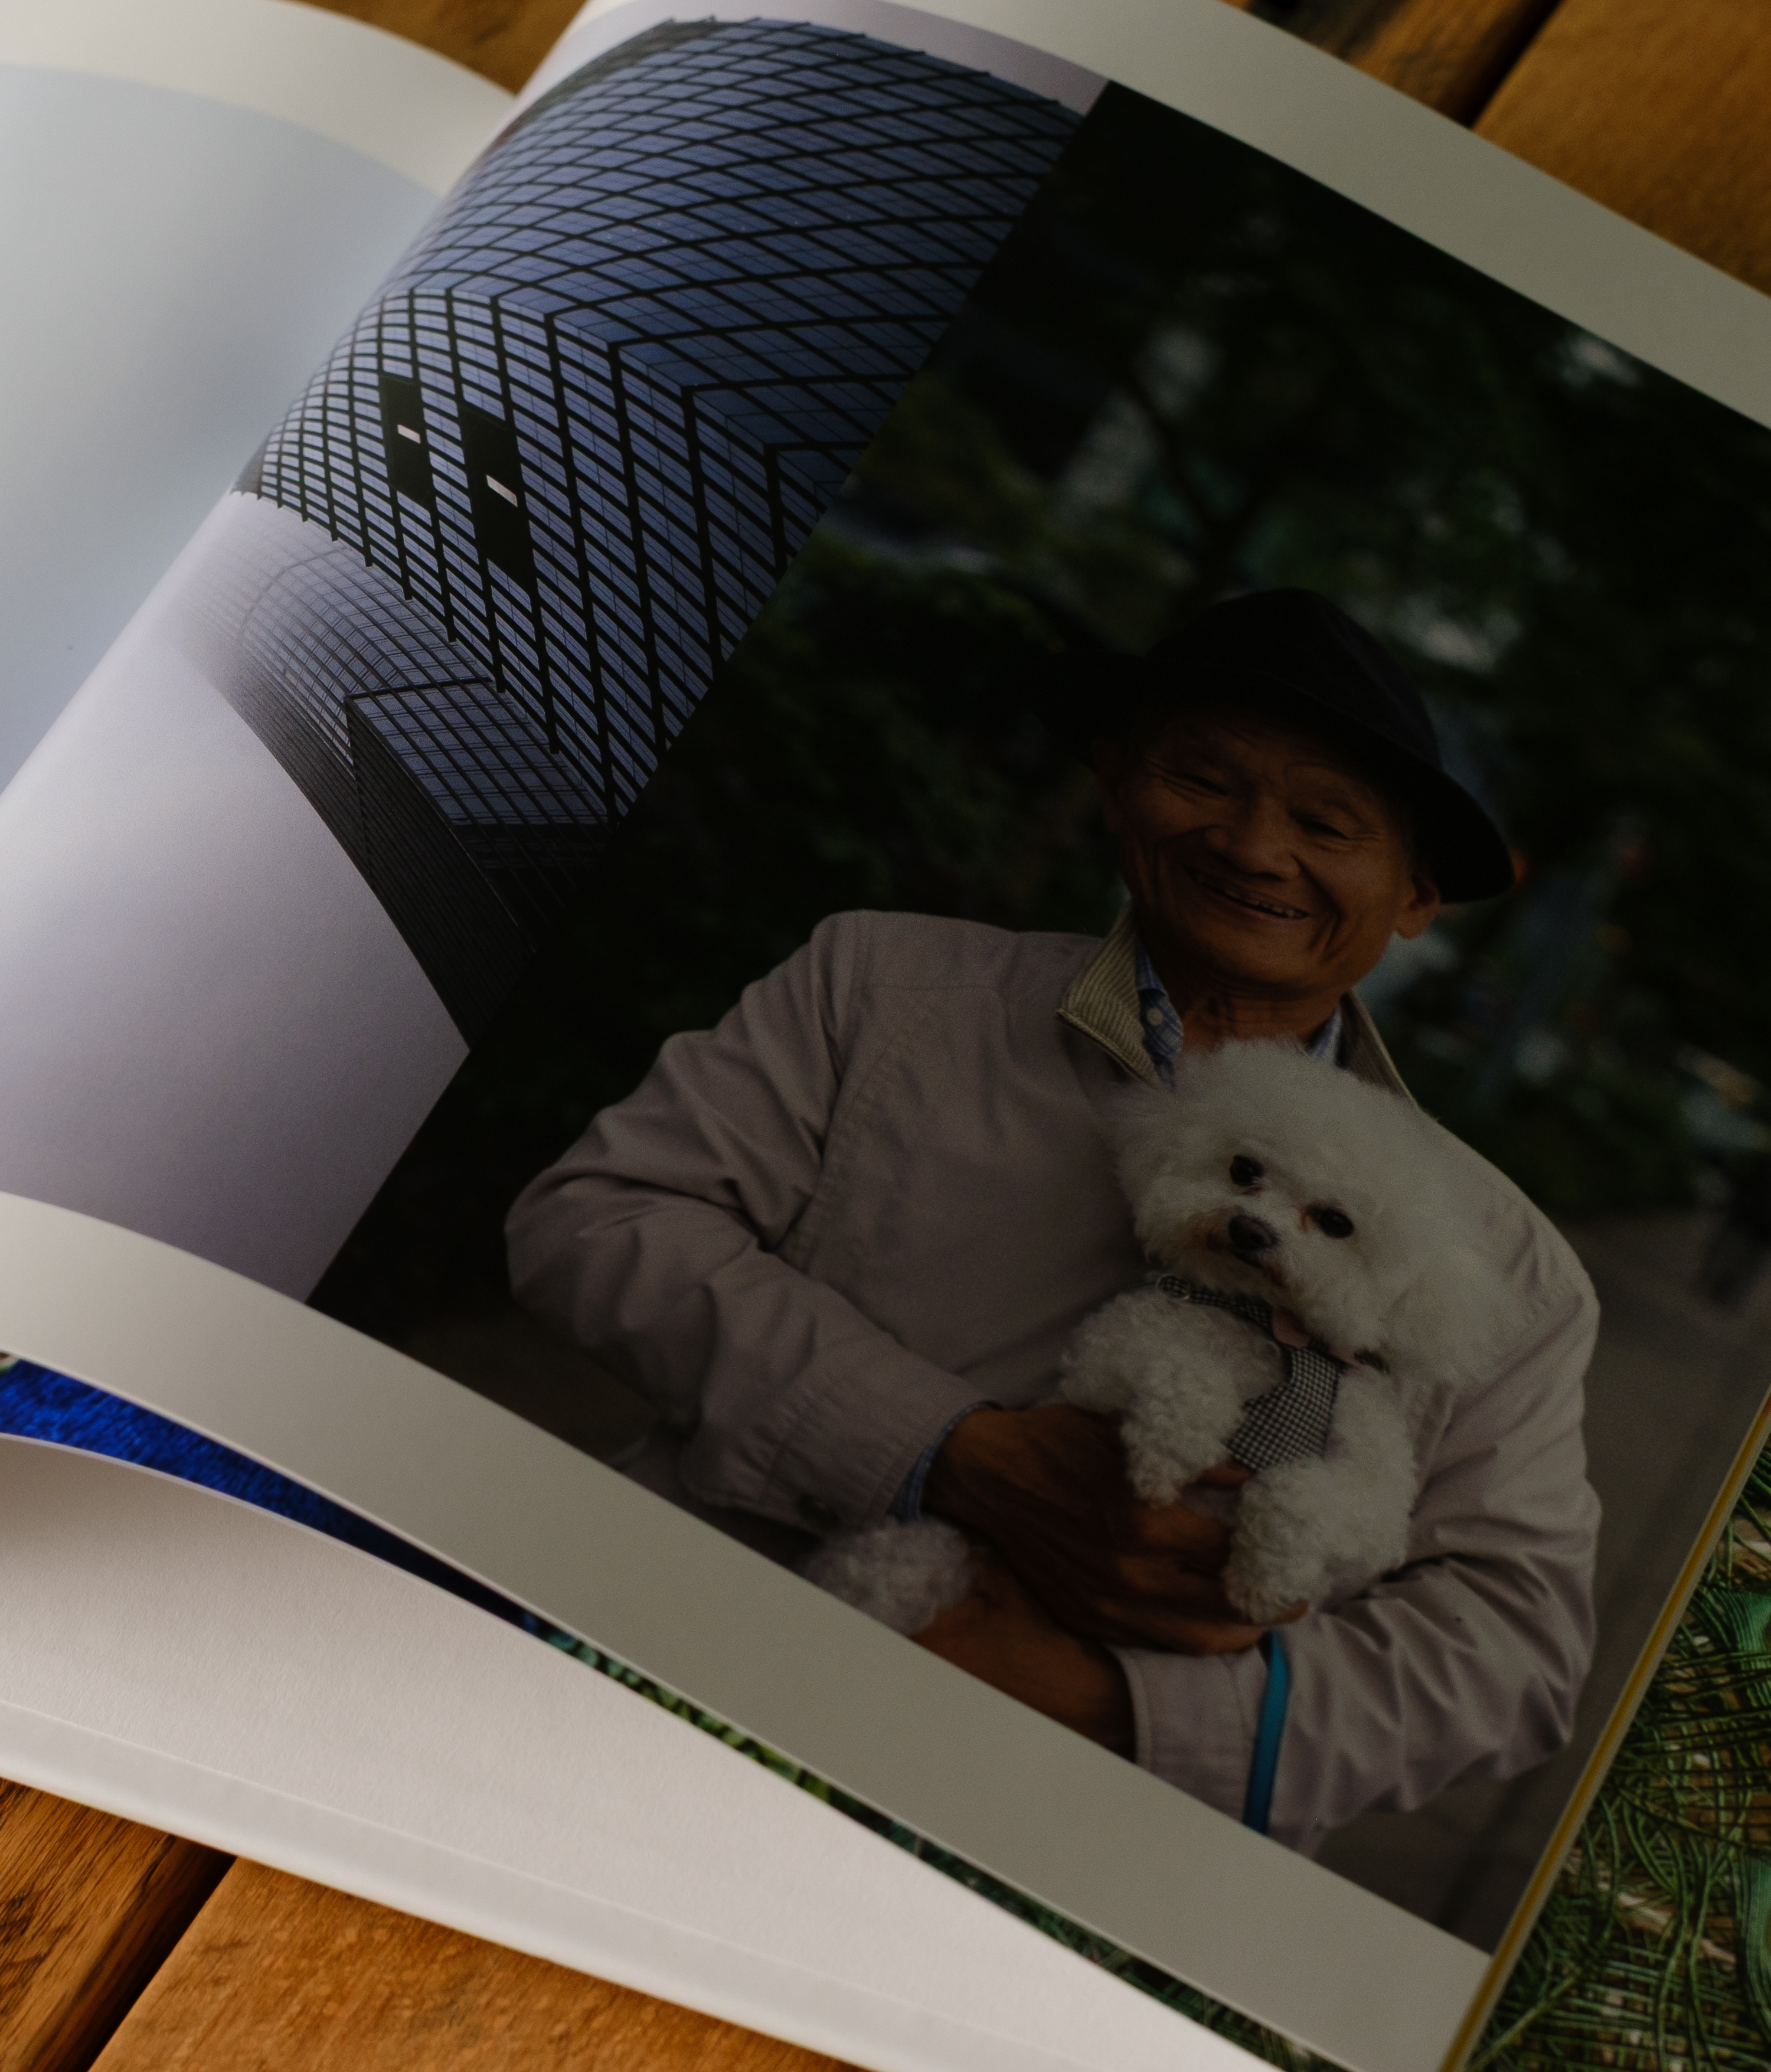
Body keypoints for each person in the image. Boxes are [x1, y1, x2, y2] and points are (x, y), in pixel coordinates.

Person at [504, 589, 1600, 1855]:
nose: (1254, 846)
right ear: (1115, 776)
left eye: (1326, 822)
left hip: (1077, 1854)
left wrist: (1111, 1707)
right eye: (1203, 776)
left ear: (1414, 897)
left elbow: (1513, 1647)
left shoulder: (1511, 1266)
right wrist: (942, 1449)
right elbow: (596, 1220)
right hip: (672, 1688)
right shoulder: (878, 984)